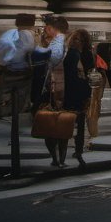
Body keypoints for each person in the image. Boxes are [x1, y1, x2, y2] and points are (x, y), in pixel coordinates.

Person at [42, 28, 92, 168]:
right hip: (65, 95)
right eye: (74, 39)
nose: (76, 42)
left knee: (64, 128)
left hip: (68, 95)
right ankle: (63, 157)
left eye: (79, 40)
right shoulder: (71, 54)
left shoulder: (75, 54)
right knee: (60, 128)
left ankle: (67, 156)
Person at [0, 14, 36, 120]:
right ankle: (13, 116)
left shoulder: (18, 34)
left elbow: (16, 51)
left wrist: (4, 62)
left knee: (5, 94)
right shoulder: (27, 34)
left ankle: (5, 115)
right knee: (20, 96)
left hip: (13, 71)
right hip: (21, 71)